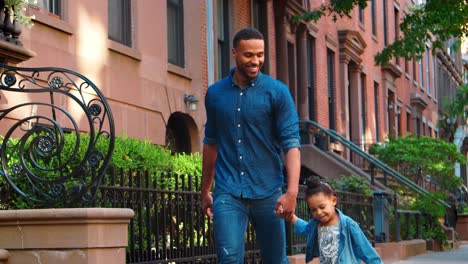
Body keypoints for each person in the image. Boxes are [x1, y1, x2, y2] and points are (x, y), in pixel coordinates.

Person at [201, 27, 301, 263]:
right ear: (234, 52)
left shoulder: (277, 92)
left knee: (275, 260)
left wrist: (292, 192)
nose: (255, 61)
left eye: (260, 55)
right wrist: (205, 189)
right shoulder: (215, 93)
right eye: (248, 55)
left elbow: (291, 144)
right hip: (228, 191)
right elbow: (211, 143)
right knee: (229, 259)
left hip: (268, 191)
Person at [280, 178, 383, 264]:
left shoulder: (348, 224)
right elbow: (305, 228)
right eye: (313, 209)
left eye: (322, 207)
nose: (319, 212)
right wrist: (292, 217)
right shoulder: (315, 224)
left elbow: (365, 249)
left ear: (333, 201)